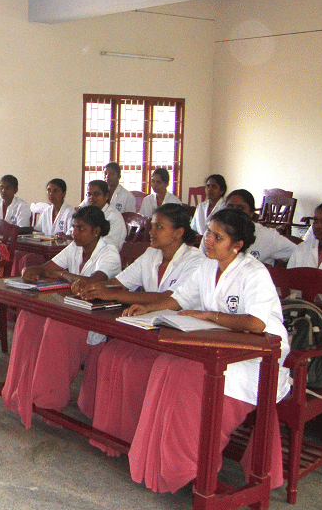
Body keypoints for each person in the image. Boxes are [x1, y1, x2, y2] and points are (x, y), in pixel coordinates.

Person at [119, 208, 290, 493]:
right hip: (218, 342)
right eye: (208, 233)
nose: (208, 240)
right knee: (168, 364)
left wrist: (209, 316)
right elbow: (180, 298)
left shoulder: (253, 272)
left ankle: (193, 465)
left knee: (191, 377)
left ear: (237, 245)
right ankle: (161, 459)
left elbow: (256, 323)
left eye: (217, 237)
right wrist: (146, 309)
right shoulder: (208, 266)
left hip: (256, 353)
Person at [72, 204, 204, 449]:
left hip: (176, 334)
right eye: (151, 225)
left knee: (131, 364)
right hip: (148, 327)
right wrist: (92, 287)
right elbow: (119, 283)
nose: (150, 231)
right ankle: (111, 435)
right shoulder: (151, 254)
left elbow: (169, 299)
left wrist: (116, 295)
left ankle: (139, 437)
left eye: (158, 227)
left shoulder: (195, 261)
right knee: (110, 354)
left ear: (178, 233)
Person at [1, 205, 121, 428]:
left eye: (81, 228)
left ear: (96, 231)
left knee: (55, 327)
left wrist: (62, 274)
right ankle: (24, 388)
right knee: (29, 316)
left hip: (94, 321)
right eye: (74, 227)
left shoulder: (109, 253)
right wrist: (32, 270)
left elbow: (91, 284)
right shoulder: (76, 247)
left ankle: (49, 400)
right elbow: (46, 268)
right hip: (71, 309)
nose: (74, 233)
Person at [216, 189, 296, 265]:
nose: (234, 212)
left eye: (241, 208)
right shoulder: (215, 232)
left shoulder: (267, 236)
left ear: (251, 213)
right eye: (230, 207)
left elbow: (297, 253)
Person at [12, 178, 74, 275]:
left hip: (59, 253)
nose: (51, 194)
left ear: (64, 193)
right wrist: (20, 230)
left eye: (56, 191)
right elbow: (37, 230)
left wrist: (64, 236)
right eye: (49, 190)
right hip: (45, 250)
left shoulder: (69, 212)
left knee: (29, 259)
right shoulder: (47, 211)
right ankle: (14, 282)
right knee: (17, 253)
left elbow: (72, 235)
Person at [85, 180, 127, 250]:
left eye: (96, 194)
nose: (91, 197)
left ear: (107, 196)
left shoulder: (113, 217)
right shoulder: (88, 213)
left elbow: (111, 244)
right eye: (89, 194)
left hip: (107, 255)